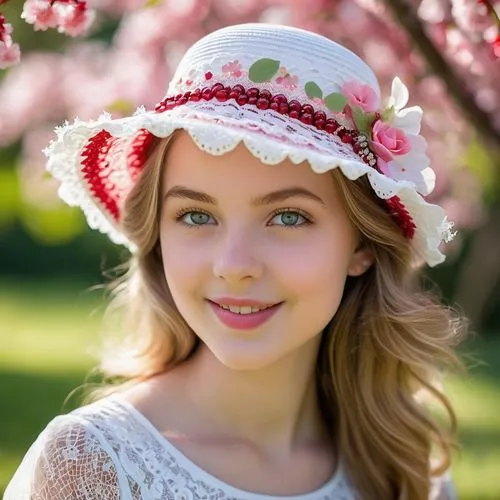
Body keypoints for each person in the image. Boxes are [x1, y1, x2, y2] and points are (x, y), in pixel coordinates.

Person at [4, 23, 466, 500]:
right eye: (196, 215)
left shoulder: (407, 470)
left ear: (362, 247)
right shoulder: (94, 467)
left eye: (288, 217)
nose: (234, 264)